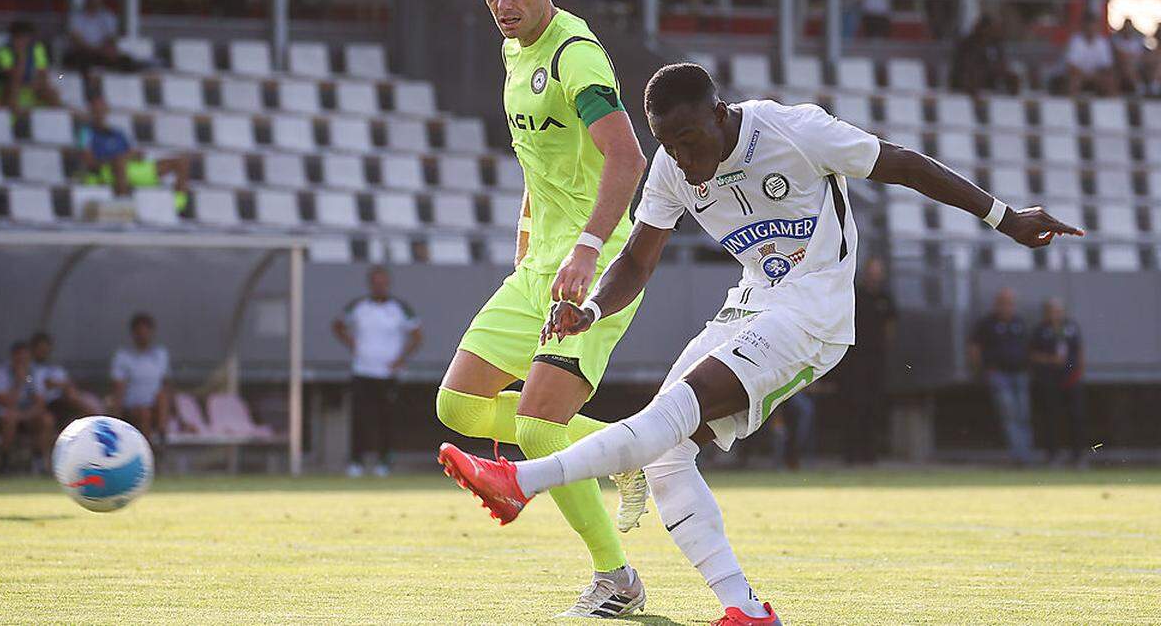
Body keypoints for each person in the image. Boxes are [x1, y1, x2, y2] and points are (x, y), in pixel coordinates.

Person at [438, 62, 1082, 626]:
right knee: (665, 457)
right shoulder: (670, 165)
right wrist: (592, 308)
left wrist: (1005, 217)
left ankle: (521, 479)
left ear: (720, 115)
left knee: (667, 416)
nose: (686, 160)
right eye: (671, 145)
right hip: (749, 305)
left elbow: (902, 164)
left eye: (692, 141)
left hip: (814, 311)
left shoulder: (792, 129)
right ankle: (744, 608)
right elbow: (636, 260)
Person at [432, 0, 651, 617]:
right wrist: (527, 224)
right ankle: (622, 450)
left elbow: (628, 156)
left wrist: (586, 248)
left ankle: (617, 579)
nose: (503, 4)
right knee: (458, 406)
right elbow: (544, 158)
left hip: (597, 269)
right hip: (538, 268)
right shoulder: (514, 52)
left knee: (533, 425)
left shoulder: (573, 56)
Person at [332, 267, 423, 477]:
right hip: (362, 370)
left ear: (388, 284)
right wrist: (351, 343)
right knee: (360, 418)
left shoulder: (399, 308)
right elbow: (337, 325)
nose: (379, 286)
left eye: (383, 282)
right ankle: (356, 461)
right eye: (376, 282)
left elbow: (417, 335)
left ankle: (384, 462)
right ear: (370, 284)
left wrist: (401, 359)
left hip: (387, 374)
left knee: (386, 418)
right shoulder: (359, 307)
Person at [78, 95, 191, 211]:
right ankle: (123, 206)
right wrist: (115, 159)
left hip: (130, 168)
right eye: (96, 109)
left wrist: (132, 155)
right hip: (107, 171)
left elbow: (135, 153)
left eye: (102, 109)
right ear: (91, 111)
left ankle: (177, 206)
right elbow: (89, 162)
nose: (100, 112)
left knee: (181, 162)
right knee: (119, 162)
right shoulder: (86, 133)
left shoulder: (118, 133)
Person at [837, 257, 896, 465]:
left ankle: (870, 454)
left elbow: (890, 328)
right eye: (872, 272)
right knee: (854, 405)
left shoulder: (886, 298)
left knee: (873, 406)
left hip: (876, 359)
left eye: (877, 272)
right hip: (855, 359)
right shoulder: (855, 295)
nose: (874, 276)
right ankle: (850, 454)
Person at [969, 287, 1034, 465]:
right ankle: (1018, 457)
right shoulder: (987, 323)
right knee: (1010, 414)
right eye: (1003, 303)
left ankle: (1026, 455)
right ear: (996, 304)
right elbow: (975, 348)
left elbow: (1027, 346)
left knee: (1023, 415)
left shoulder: (1019, 322)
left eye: (1010, 303)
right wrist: (981, 369)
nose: (1007, 307)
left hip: (1019, 373)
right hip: (999, 374)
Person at [0, 342, 54, 474]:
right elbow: (6, 402)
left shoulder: (35, 373)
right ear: (13, 357)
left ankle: (40, 460)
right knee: (10, 418)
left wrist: (25, 415)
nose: (22, 363)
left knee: (46, 420)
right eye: (19, 359)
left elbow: (40, 402)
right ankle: (5, 461)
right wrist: (18, 382)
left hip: (23, 414)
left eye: (25, 359)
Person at [1029, 298, 1086, 468]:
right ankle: (1053, 455)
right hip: (1050, 379)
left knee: (1076, 416)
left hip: (1071, 378)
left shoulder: (1071, 327)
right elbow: (1032, 354)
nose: (1055, 315)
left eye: (1057, 311)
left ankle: (1078, 456)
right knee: (1051, 417)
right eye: (1051, 311)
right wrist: (1050, 360)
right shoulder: (1040, 330)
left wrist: (1079, 370)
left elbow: (1079, 349)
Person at [109, 312, 173, 444]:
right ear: (133, 333)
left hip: (156, 407)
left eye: (146, 331)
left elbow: (167, 385)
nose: (143, 335)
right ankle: (148, 452)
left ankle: (162, 431)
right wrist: (116, 417)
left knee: (162, 396)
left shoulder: (160, 355)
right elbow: (118, 388)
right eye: (139, 332)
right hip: (132, 408)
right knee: (144, 414)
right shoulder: (123, 356)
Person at [64, 0, 143, 77]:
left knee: (126, 60)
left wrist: (104, 50)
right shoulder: (76, 16)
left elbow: (111, 39)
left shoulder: (107, 16)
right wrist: (96, 50)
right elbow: (77, 40)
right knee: (82, 60)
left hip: (101, 54)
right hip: (83, 53)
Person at [29, 331, 99, 423]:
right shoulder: (30, 369)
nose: (44, 352)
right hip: (44, 403)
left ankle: (95, 421)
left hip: (61, 401)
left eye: (46, 349)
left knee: (85, 400)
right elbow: (35, 390)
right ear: (34, 349)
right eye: (41, 349)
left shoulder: (55, 368)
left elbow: (67, 384)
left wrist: (58, 385)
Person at [0, 21, 61, 111]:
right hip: (9, 87)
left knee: (51, 92)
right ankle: (17, 117)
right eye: (19, 37)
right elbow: (13, 77)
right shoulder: (3, 51)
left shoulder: (37, 48)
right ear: (13, 37)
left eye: (26, 37)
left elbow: (42, 73)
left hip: (31, 85)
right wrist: (21, 56)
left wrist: (36, 84)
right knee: (14, 87)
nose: (24, 41)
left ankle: (56, 120)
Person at [950, 15, 1019, 96]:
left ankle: (1012, 102)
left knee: (1012, 77)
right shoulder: (967, 43)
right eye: (990, 28)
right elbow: (963, 64)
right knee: (973, 75)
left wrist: (1001, 68)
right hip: (969, 75)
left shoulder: (995, 44)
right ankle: (974, 102)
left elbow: (1000, 61)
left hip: (990, 75)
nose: (992, 31)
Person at [1063, 12, 1115, 97]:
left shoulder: (1102, 42)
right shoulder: (1075, 41)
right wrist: (1086, 75)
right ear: (1083, 26)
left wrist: (1095, 76)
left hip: (1096, 76)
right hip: (1080, 75)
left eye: (1093, 26)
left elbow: (1106, 66)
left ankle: (1110, 107)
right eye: (1088, 26)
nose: (1091, 29)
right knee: (1074, 81)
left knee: (1110, 81)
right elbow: (1071, 66)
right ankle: (1072, 107)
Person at [1110, 18, 1152, 95]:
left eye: (1129, 28)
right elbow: (1120, 55)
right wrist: (1132, 57)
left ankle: (1154, 86)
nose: (1127, 30)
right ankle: (1140, 88)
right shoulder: (1117, 40)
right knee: (1128, 66)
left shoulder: (1138, 40)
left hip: (1139, 65)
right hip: (1123, 66)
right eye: (1126, 28)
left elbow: (1144, 55)